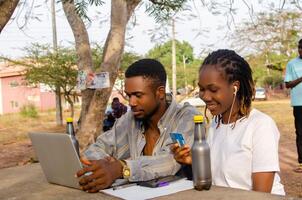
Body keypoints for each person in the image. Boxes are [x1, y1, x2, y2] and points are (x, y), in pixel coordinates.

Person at [171, 49, 285, 195]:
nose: (205, 96)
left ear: (234, 87)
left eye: (213, 89)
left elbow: (261, 195)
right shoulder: (215, 123)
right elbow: (217, 178)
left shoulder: (260, 126)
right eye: (202, 89)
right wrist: (192, 162)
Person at [76, 58, 199, 192]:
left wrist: (122, 168)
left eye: (138, 95)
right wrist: (104, 167)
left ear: (160, 92)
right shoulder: (131, 118)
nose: (132, 102)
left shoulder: (187, 117)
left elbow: (171, 161)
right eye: (129, 96)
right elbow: (97, 148)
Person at [284, 39, 302, 173]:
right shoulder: (292, 64)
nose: (300, 50)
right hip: (299, 104)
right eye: (299, 47)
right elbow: (288, 84)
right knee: (300, 133)